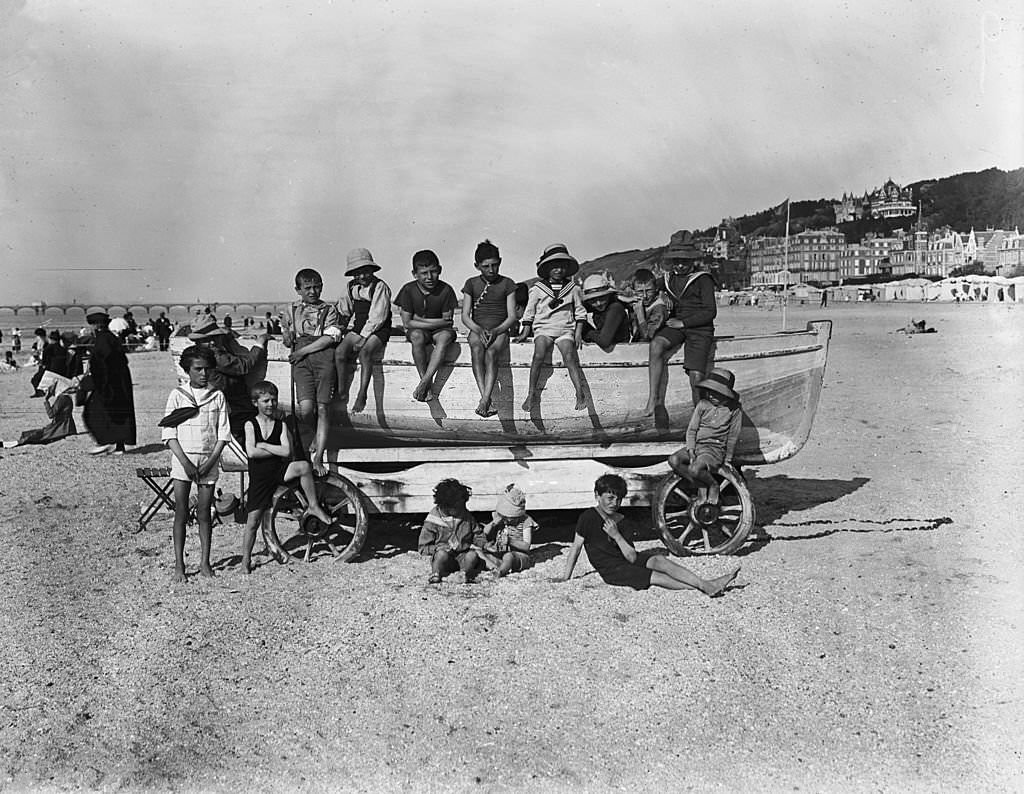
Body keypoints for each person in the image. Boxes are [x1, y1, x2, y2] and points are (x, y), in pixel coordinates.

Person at [556, 474, 739, 595]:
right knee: (655, 576)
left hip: (625, 559)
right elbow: (576, 548)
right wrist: (566, 576)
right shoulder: (587, 518)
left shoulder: (622, 520)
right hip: (612, 570)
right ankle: (705, 586)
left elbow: (631, 556)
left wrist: (617, 535)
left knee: (659, 560)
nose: (614, 503)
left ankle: (704, 584)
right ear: (597, 495)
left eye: (618, 499)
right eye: (609, 498)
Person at [240, 381, 333, 574]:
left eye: (273, 400)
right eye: (265, 401)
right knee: (253, 521)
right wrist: (268, 449)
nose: (270, 404)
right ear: (255, 402)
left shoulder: (280, 425)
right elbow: (251, 452)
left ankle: (313, 505)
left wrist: (264, 446)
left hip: (279, 471)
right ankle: (245, 560)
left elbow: (286, 451)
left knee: (303, 466)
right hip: (260, 478)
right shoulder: (250, 424)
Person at [161, 346, 232, 582]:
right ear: (187, 370)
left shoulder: (217, 396)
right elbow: (169, 433)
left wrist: (211, 461)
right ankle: (179, 566)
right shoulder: (178, 395)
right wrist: (186, 463)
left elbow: (223, 435)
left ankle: (205, 562)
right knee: (180, 511)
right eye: (197, 369)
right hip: (183, 459)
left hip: (208, 459)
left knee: (204, 512)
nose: (203, 374)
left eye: (207, 369)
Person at [644, 232, 717, 413]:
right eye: (676, 261)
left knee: (696, 377)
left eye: (685, 261)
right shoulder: (669, 278)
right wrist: (662, 295)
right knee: (656, 345)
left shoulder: (704, 279)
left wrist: (683, 323)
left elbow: (710, 312)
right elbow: (647, 287)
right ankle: (654, 398)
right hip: (677, 326)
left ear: (693, 261)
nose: (680, 265)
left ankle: (699, 416)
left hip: (700, 330)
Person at [281, 268, 342, 475]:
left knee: (323, 408)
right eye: (308, 288)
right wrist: (287, 336)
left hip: (323, 358)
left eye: (317, 287)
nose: (313, 291)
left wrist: (302, 351)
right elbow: (287, 332)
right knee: (306, 409)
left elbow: (329, 338)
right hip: (301, 362)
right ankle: (316, 433)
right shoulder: (291, 309)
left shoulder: (330, 310)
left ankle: (318, 459)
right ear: (298, 289)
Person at [514, 244, 588, 411]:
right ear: (546, 268)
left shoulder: (574, 289)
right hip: (544, 330)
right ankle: (531, 393)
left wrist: (578, 333)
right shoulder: (537, 289)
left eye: (562, 266)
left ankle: (579, 393)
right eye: (554, 266)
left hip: (565, 330)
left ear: (568, 268)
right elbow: (529, 312)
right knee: (538, 355)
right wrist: (525, 332)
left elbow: (580, 312)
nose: (558, 270)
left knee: (570, 357)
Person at [667, 368, 742, 505]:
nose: (711, 395)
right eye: (710, 391)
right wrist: (691, 451)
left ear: (725, 394)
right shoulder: (703, 405)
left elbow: (733, 435)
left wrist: (728, 459)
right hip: (698, 446)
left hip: (714, 449)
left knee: (694, 469)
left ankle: (713, 485)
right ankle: (701, 484)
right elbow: (692, 430)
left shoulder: (734, 409)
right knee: (674, 460)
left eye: (716, 392)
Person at [461, 239, 518, 417]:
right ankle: (485, 398)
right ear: (477, 266)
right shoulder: (471, 284)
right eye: (486, 266)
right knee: (476, 349)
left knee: (492, 353)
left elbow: (512, 316)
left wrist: (496, 331)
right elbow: (465, 315)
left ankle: (485, 399)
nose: (491, 270)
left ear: (500, 261)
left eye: (495, 265)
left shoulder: (507, 284)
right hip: (478, 329)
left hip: (500, 329)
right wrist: (478, 330)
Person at [394, 249, 460, 402]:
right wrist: (434, 322)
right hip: (419, 332)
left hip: (440, 331)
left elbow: (447, 322)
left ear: (440, 270)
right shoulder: (408, 290)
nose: (429, 277)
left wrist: (417, 319)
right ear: (414, 273)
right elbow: (406, 323)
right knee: (417, 336)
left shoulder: (446, 290)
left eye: (433, 272)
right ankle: (425, 382)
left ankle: (425, 381)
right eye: (424, 273)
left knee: (444, 337)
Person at [334, 248, 393, 414]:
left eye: (366, 272)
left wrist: (363, 337)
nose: (362, 277)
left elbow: (378, 316)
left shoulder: (380, 286)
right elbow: (343, 310)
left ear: (372, 270)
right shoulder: (351, 286)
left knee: (365, 353)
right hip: (360, 327)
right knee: (339, 352)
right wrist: (338, 325)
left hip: (379, 329)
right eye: (357, 273)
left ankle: (362, 393)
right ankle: (341, 388)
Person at [188, 320, 267, 440]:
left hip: (225, 399)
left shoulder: (201, 353)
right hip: (234, 401)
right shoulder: (216, 356)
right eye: (207, 340)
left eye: (215, 337)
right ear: (198, 342)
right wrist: (259, 344)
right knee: (244, 430)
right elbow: (243, 366)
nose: (212, 342)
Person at [82, 311, 136, 455]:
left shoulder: (103, 340)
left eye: (92, 325)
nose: (90, 328)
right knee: (118, 413)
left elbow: (103, 364)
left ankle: (104, 441)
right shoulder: (110, 338)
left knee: (92, 412)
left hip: (109, 383)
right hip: (119, 382)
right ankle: (119, 446)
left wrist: (101, 384)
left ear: (97, 325)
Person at [418, 478, 482, 584]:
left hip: (462, 556)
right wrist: (437, 548)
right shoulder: (433, 520)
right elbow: (422, 548)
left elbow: (478, 534)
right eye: (459, 506)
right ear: (446, 506)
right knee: (441, 555)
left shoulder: (466, 516)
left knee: (472, 556)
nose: (463, 508)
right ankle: (436, 574)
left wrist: (483, 544)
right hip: (445, 559)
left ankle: (464, 574)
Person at [475, 484, 537, 579]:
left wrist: (510, 541)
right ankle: (494, 568)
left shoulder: (526, 521)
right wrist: (493, 523)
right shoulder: (500, 518)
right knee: (478, 552)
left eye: (508, 518)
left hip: (517, 556)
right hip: (499, 554)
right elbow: (484, 534)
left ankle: (500, 572)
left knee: (508, 556)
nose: (505, 520)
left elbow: (526, 546)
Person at [2, 376, 80, 447]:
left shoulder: (62, 398)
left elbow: (51, 414)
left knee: (33, 436)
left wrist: (46, 400)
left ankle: (10, 444)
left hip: (60, 428)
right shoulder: (65, 397)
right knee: (29, 434)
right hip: (64, 426)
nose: (48, 390)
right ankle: (10, 443)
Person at [580, 273, 631, 352]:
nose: (598, 303)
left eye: (602, 298)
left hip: (620, 351)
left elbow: (604, 341)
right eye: (593, 300)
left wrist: (583, 328)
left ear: (608, 295)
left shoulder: (615, 308)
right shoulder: (598, 307)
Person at [626, 268, 670, 342]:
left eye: (649, 291)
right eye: (640, 291)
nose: (645, 296)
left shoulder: (659, 308)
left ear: (656, 289)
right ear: (633, 291)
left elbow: (648, 337)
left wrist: (640, 316)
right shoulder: (635, 301)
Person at [30, 330, 69, 397]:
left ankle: (40, 392)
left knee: (34, 379)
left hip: (50, 368)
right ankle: (42, 391)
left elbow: (44, 359)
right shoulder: (63, 349)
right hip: (61, 370)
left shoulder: (49, 347)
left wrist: (41, 363)